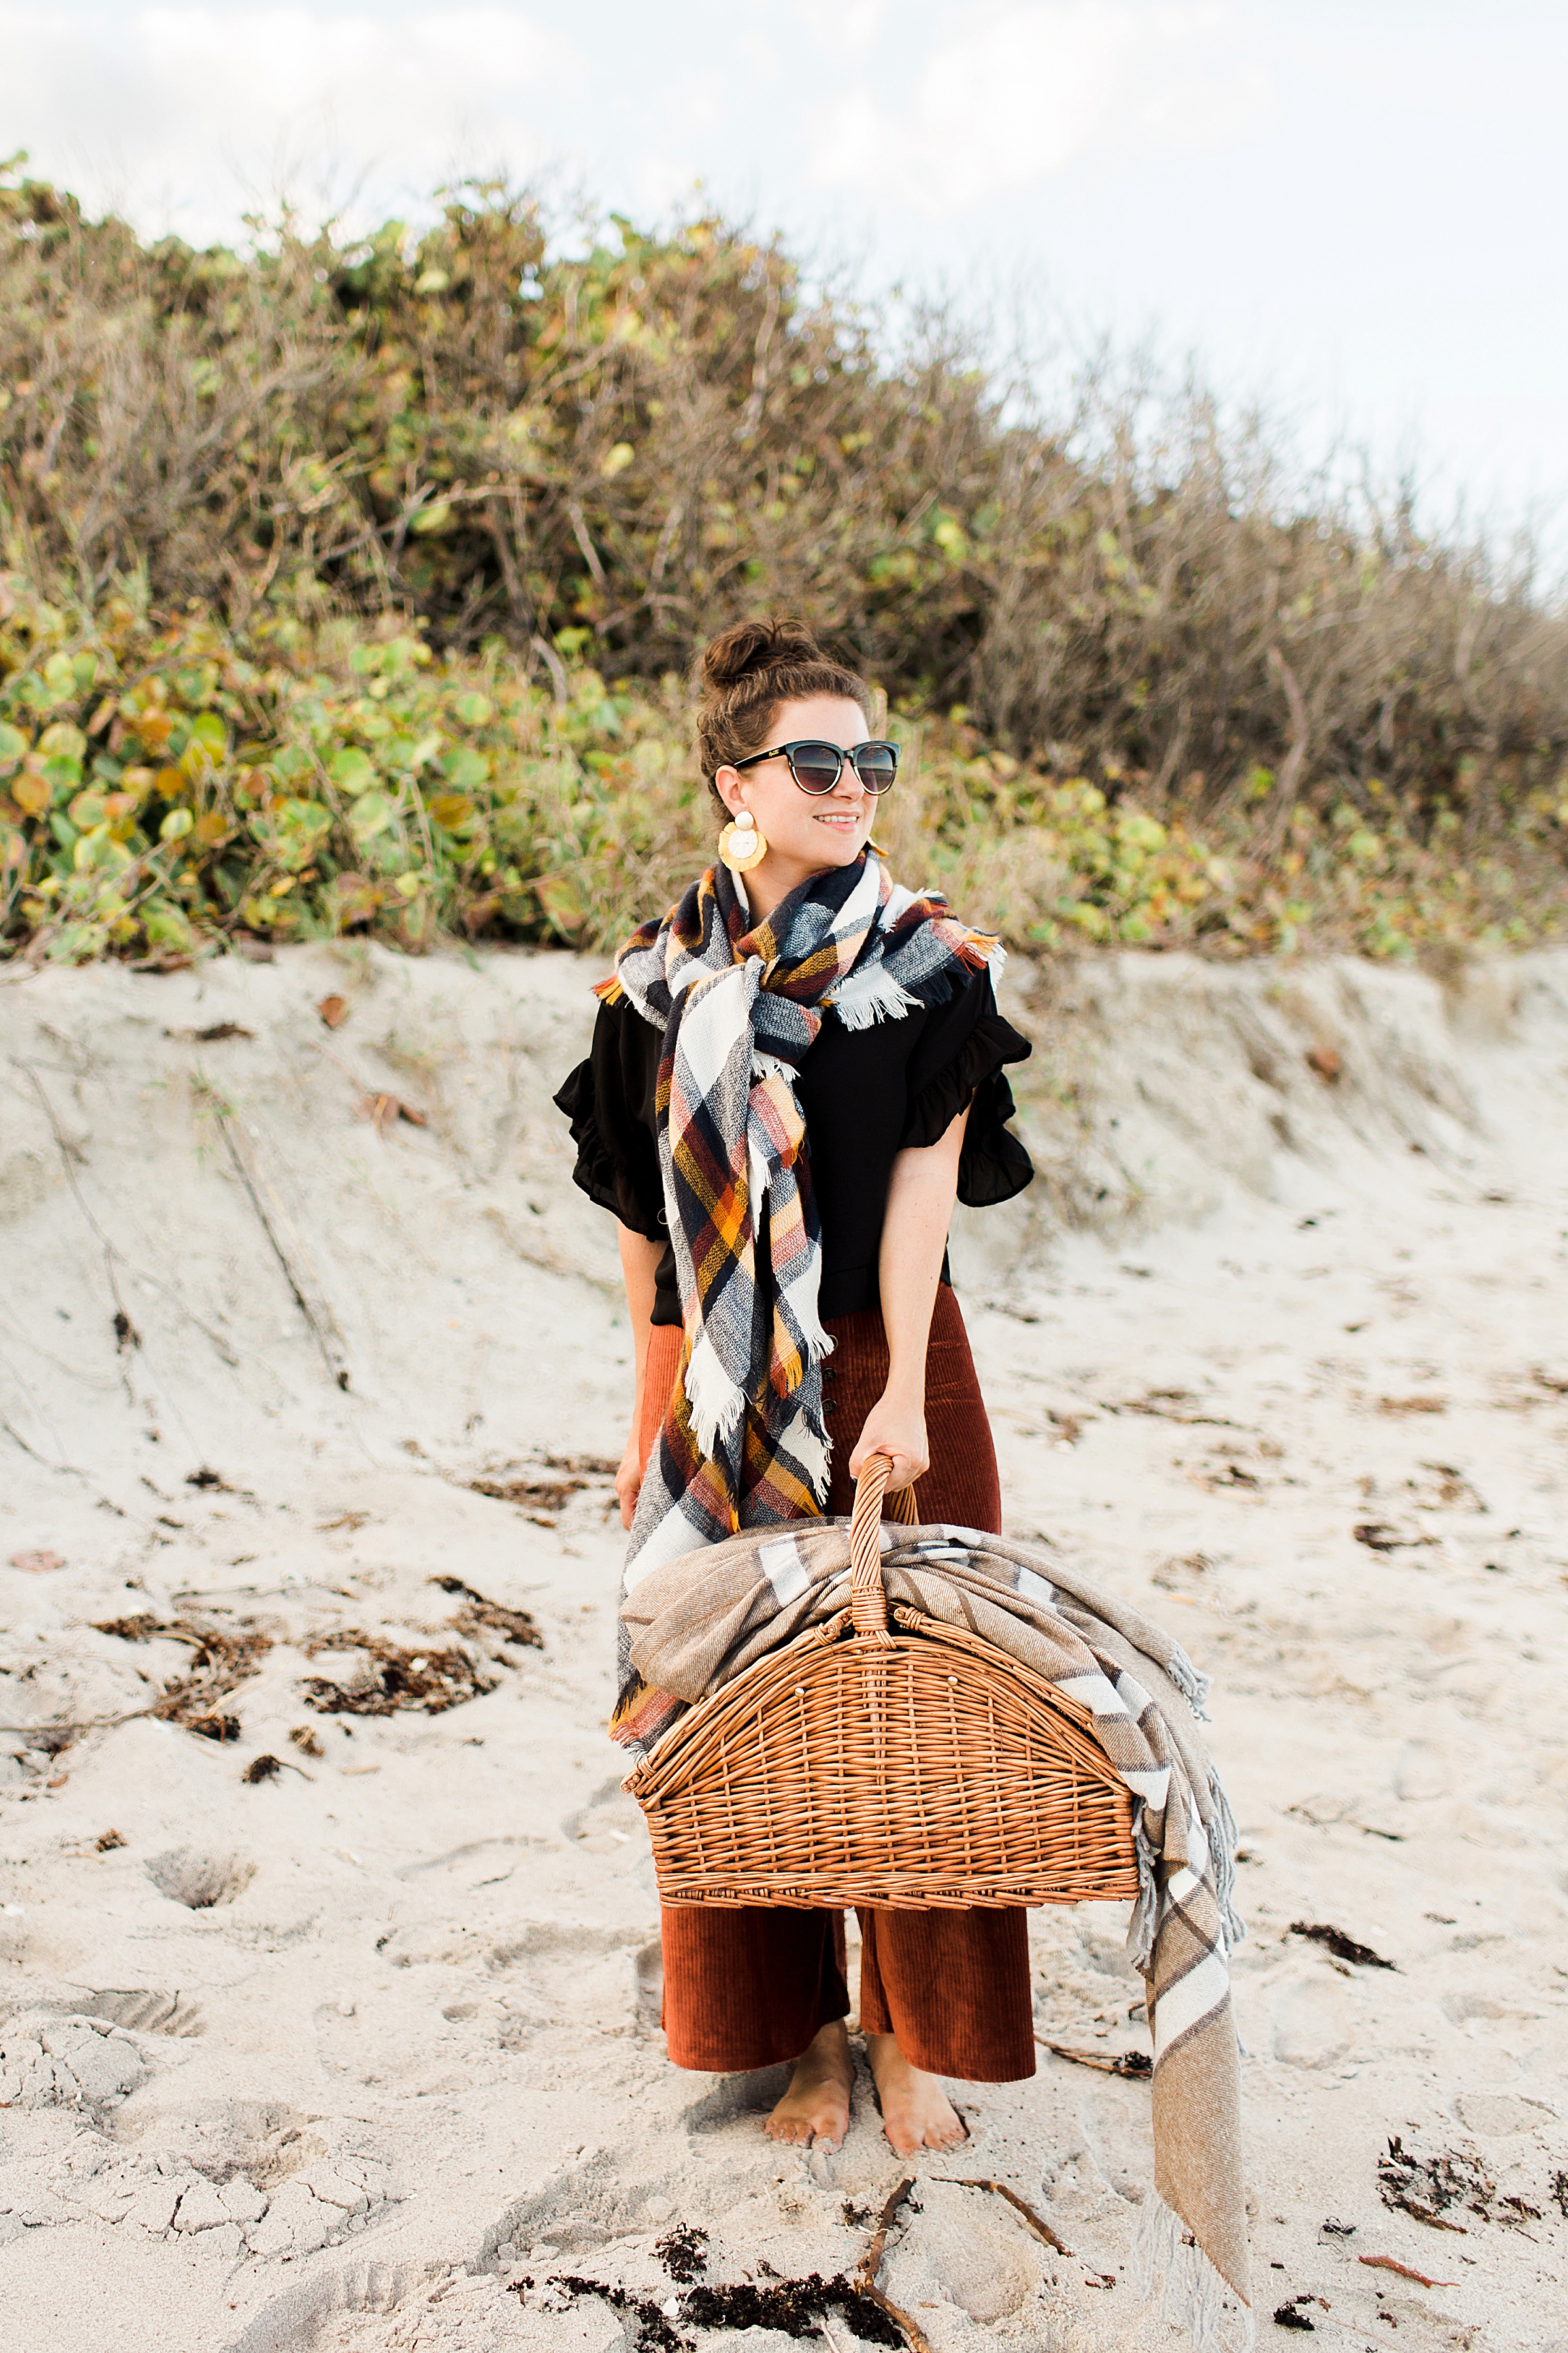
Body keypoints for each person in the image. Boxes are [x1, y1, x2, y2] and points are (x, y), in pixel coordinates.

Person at [554, 617, 1037, 2156]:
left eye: (869, 759)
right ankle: (805, 2038)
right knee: (730, 1706)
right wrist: (651, 1418)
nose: (851, 785)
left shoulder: (928, 969)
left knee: (932, 1704)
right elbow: (646, 1225)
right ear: (733, 785)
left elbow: (919, 1200)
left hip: (898, 1354)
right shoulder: (652, 992)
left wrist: (892, 1395)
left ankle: (915, 2036)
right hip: (713, 1373)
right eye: (815, 760)